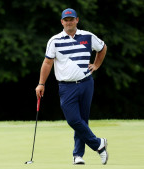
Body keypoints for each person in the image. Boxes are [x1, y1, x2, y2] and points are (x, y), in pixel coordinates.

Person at [35, 8, 108, 165]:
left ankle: (78, 155)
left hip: (86, 83)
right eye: (66, 20)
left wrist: (96, 65)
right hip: (66, 87)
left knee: (82, 120)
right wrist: (41, 83)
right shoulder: (54, 40)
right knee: (74, 119)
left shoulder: (88, 36)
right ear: (62, 22)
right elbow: (47, 62)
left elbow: (102, 48)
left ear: (77, 20)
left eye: (71, 19)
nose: (69, 22)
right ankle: (99, 144)